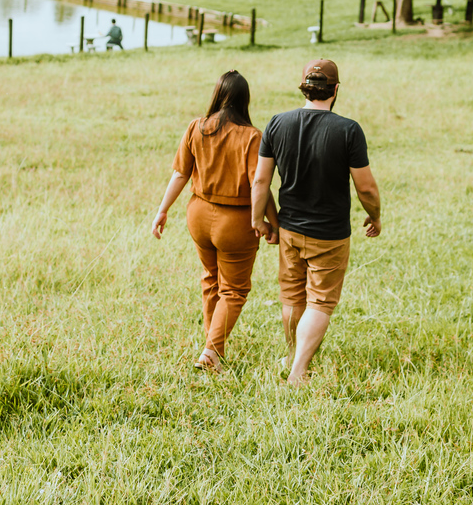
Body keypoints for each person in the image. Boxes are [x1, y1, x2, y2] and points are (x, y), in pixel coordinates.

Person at [251, 59, 381, 386]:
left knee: (293, 298)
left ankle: (293, 354)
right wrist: (375, 215)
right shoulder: (348, 130)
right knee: (320, 301)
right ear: (335, 89)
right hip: (330, 234)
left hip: (290, 229)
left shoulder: (277, 123)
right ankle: (298, 371)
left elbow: (260, 181)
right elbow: (365, 186)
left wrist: (260, 221)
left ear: (303, 87)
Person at [152, 70, 278, 372]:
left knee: (211, 279)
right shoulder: (252, 136)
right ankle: (211, 351)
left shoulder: (197, 127)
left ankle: (213, 348)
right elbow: (259, 183)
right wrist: (271, 221)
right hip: (235, 221)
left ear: (217, 95)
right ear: (245, 100)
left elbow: (180, 173)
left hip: (198, 215)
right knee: (233, 290)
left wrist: (163, 209)